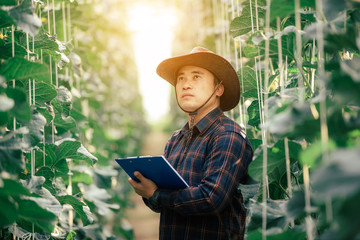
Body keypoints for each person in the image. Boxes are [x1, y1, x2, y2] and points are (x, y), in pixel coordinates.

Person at [128, 47, 253, 240]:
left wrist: (156, 194)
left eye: (196, 77)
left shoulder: (228, 135)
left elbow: (211, 198)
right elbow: (160, 205)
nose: (186, 85)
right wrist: (147, 191)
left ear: (218, 89)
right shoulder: (176, 138)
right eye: (181, 79)